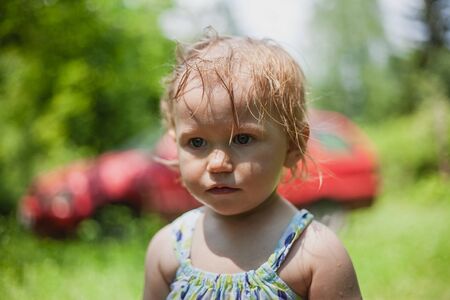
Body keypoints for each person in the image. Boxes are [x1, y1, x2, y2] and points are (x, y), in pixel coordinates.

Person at [143, 31, 362, 299]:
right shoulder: (167, 249)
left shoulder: (314, 254)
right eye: (197, 143)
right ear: (175, 145)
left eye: (243, 138)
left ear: (293, 145)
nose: (218, 163)